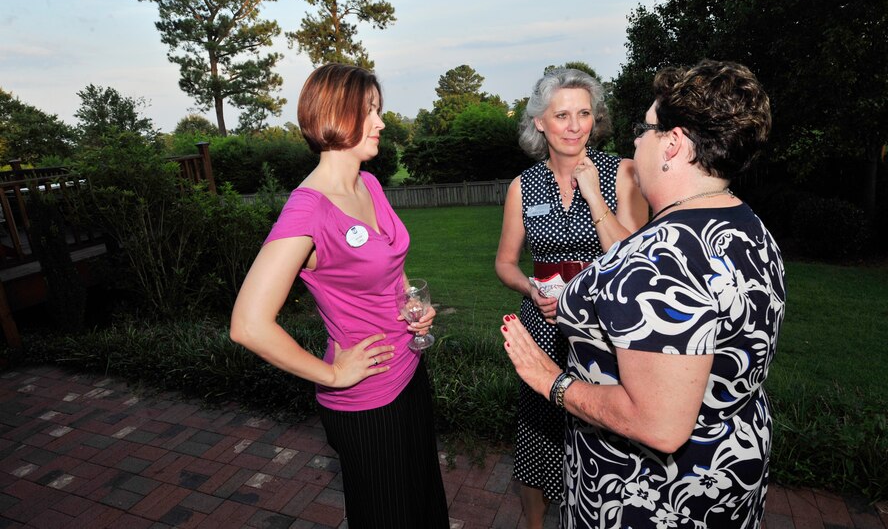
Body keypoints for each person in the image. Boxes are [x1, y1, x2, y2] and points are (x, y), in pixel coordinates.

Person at [499, 59, 785, 529]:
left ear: (672, 143)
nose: (635, 140)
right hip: (731, 465)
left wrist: (551, 379)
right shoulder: (747, 225)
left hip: (648, 495)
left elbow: (657, 425)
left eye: (645, 129)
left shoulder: (657, 257)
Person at [230, 63, 449, 529]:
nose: (381, 122)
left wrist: (413, 305)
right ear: (336, 115)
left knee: (425, 505)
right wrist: (331, 373)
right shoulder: (308, 209)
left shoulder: (368, 184)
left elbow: (392, 269)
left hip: (410, 371)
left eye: (378, 109)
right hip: (366, 401)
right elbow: (248, 324)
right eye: (369, 110)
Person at [494, 68, 648, 527]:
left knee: (601, 436)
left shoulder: (621, 172)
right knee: (538, 436)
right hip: (542, 329)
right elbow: (504, 262)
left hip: (604, 332)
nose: (575, 125)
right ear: (540, 122)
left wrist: (593, 197)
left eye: (584, 113)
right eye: (562, 114)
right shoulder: (523, 187)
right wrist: (531, 287)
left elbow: (636, 261)